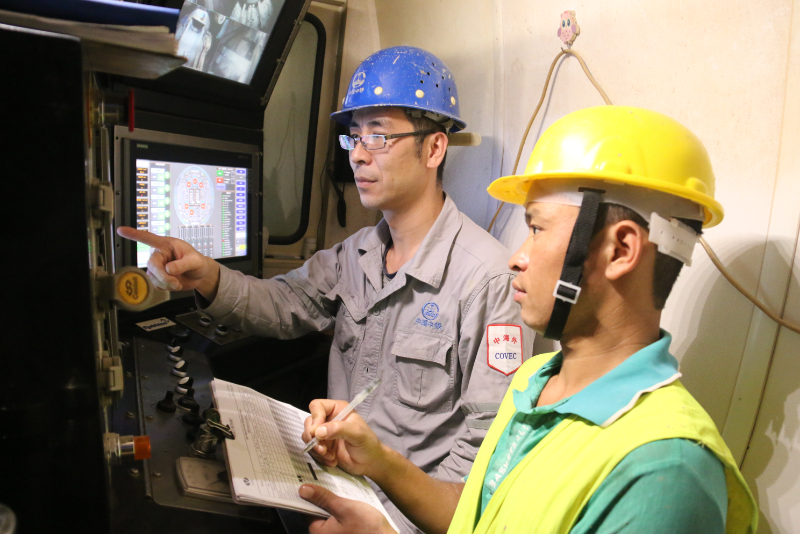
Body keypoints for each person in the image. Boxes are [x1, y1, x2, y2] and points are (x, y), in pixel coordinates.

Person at [117, 46, 534, 533]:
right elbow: (282, 303)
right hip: (336, 485)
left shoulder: (488, 281)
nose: (357, 153)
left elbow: (484, 461)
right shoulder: (356, 253)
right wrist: (205, 274)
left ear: (434, 149)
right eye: (354, 136)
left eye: (378, 135)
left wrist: (389, 528)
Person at [296, 106, 759, 534]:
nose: (517, 257)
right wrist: (379, 463)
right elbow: (474, 514)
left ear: (620, 250)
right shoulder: (534, 381)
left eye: (537, 229)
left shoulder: (662, 469)